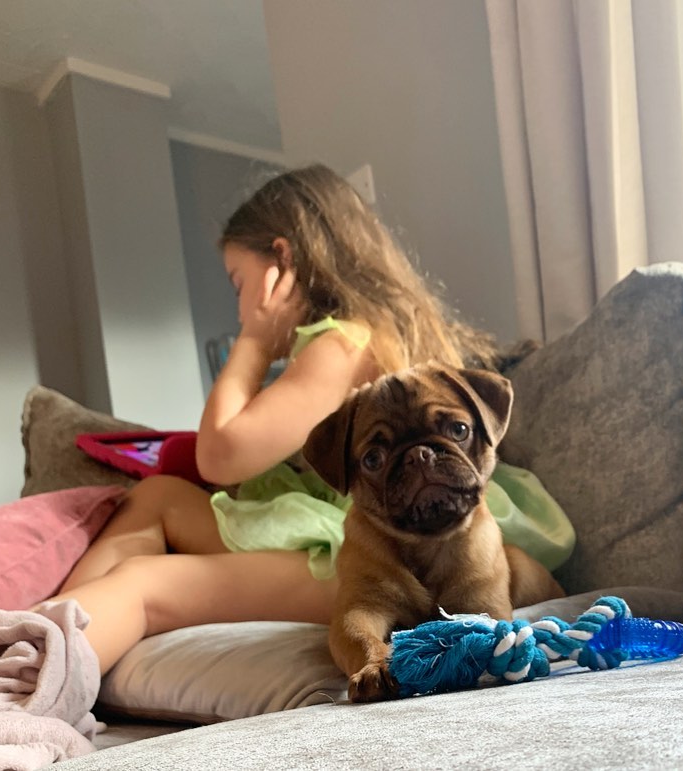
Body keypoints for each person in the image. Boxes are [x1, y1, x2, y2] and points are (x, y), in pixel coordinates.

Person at [44, 163, 574, 675]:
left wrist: (254, 338)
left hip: (359, 552)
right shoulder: (362, 340)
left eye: (238, 284)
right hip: (348, 533)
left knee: (142, 580)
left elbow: (220, 454)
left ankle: (39, 657)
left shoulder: (340, 345)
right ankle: (45, 619)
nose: (238, 308)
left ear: (282, 262)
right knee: (157, 497)